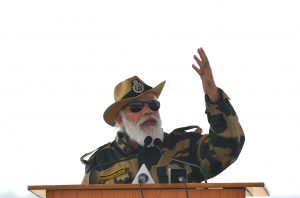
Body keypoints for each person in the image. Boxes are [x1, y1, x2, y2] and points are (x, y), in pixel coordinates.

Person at [81, 47, 245, 184]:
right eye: (137, 107)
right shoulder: (100, 161)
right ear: (119, 119)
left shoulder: (185, 147)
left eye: (153, 105)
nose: (148, 111)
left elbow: (229, 147)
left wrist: (214, 95)